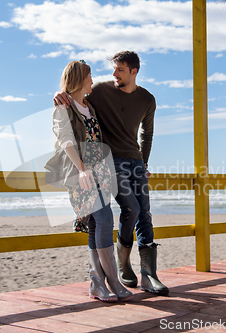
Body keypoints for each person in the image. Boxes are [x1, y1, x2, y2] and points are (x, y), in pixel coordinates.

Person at [54, 51, 169, 296]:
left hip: (121, 166)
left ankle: (142, 276)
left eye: (120, 70)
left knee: (137, 215)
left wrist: (144, 163)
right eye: (113, 69)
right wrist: (59, 93)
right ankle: (117, 270)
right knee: (123, 212)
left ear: (134, 71)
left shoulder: (142, 100)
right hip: (100, 167)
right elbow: (67, 126)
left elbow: (146, 135)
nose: (112, 74)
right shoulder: (96, 93)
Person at [49, 60, 133, 302]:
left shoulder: (89, 106)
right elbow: (66, 140)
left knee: (96, 224)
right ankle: (112, 281)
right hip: (80, 174)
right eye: (89, 76)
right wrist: (82, 169)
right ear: (78, 78)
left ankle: (98, 283)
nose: (93, 80)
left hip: (99, 173)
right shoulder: (62, 107)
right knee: (105, 218)